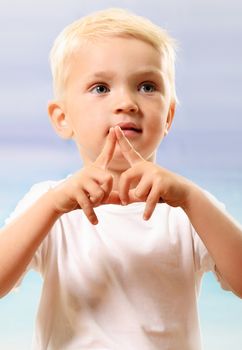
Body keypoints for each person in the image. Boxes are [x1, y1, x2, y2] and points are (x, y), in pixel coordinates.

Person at [0, 7, 241, 350]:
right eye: (100, 88)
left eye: (147, 86)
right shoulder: (51, 204)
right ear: (62, 118)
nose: (126, 102)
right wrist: (52, 207)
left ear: (169, 115)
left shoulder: (186, 207)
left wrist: (190, 199)